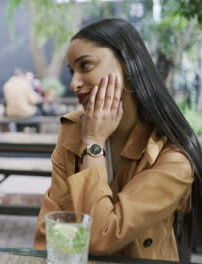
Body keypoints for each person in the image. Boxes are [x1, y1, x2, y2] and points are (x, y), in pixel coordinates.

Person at [34, 18, 202, 262]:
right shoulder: (72, 130)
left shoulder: (174, 156)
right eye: (72, 71)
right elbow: (53, 225)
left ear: (128, 64)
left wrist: (93, 144)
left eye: (86, 66)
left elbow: (102, 237)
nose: (73, 83)